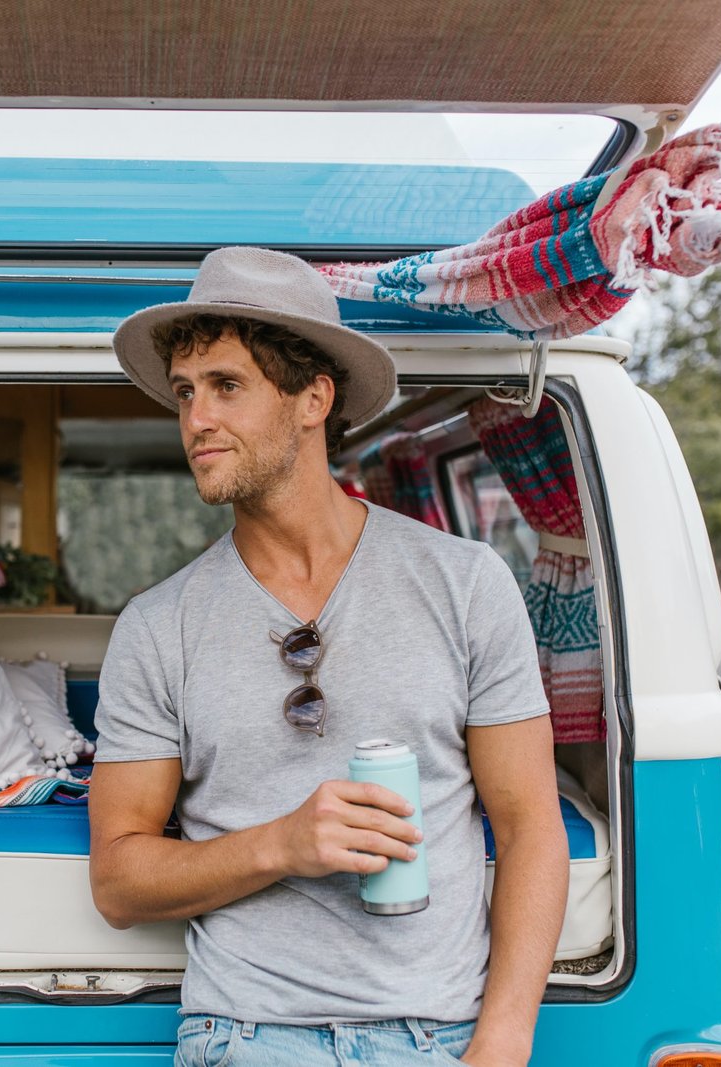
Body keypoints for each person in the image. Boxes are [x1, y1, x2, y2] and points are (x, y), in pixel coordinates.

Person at [89, 247, 569, 1067]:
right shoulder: (156, 625)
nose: (195, 418)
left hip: (439, 1032)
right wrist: (284, 842)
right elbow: (119, 882)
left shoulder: (465, 583)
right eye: (184, 391)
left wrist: (502, 1041)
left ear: (314, 397)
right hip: (245, 1035)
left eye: (226, 385)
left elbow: (531, 828)